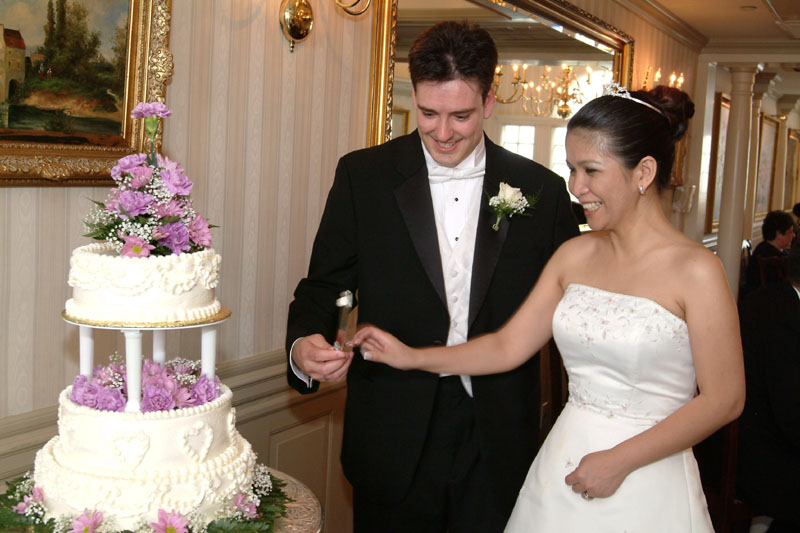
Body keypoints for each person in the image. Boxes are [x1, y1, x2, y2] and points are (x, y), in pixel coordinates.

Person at [354, 84, 745, 531]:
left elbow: (725, 399)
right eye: (572, 169)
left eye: (591, 170)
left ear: (644, 172)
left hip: (649, 479)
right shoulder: (574, 255)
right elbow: (506, 346)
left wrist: (619, 460)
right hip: (563, 465)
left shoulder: (697, 270)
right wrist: (412, 357)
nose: (577, 188)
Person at [285, 21, 579, 532]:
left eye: (461, 116)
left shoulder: (542, 190)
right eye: (428, 113)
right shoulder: (363, 176)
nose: (442, 133)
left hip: (498, 435)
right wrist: (303, 345)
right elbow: (325, 285)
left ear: (489, 101)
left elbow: (574, 313)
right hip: (392, 432)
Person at [737, 247, 800, 533]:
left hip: (758, 431)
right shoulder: (782, 320)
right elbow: (790, 410)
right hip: (758, 454)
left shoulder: (771, 297)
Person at [744, 210, 795, 295]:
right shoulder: (769, 257)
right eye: (790, 232)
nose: (793, 235)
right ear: (778, 234)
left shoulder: (770, 248)